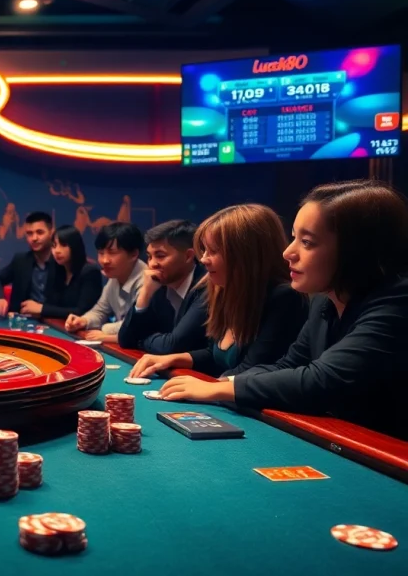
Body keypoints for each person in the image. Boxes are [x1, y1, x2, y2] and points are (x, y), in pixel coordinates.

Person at [160, 181, 408, 439]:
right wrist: (223, 383)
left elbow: (322, 380)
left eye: (308, 242)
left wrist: (215, 390)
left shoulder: (398, 300)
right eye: (293, 238)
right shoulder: (325, 300)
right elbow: (287, 364)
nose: (289, 252)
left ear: (357, 251)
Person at [129, 205, 307, 380]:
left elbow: (250, 371)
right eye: (204, 250)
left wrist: (206, 389)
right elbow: (214, 356)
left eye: (213, 251)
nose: (204, 259)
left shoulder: (284, 298)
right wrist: (172, 359)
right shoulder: (223, 290)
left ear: (246, 255)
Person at [118, 220, 208, 354]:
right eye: (149, 257)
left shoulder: (206, 286)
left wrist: (141, 340)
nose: (152, 264)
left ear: (188, 256)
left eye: (160, 256)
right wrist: (145, 294)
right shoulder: (157, 285)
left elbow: (171, 346)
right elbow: (125, 340)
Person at [63, 222, 146, 343]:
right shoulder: (115, 275)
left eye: (112, 253)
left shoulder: (146, 281)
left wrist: (105, 330)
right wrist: (83, 321)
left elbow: (136, 326)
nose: (104, 260)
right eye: (101, 253)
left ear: (134, 254)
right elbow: (100, 310)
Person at [24, 224, 101, 318]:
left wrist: (42, 309)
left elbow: (82, 312)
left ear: (75, 246)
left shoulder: (90, 272)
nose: (57, 251)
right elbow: (51, 303)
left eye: (63, 245)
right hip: (58, 326)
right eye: (54, 246)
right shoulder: (57, 270)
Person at [0, 211, 54, 317]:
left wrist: (42, 309)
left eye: (40, 232)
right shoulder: (21, 260)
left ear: (51, 232)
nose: (34, 238)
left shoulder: (63, 263)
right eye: (29, 233)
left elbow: (71, 306)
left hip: (52, 324)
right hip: (21, 322)